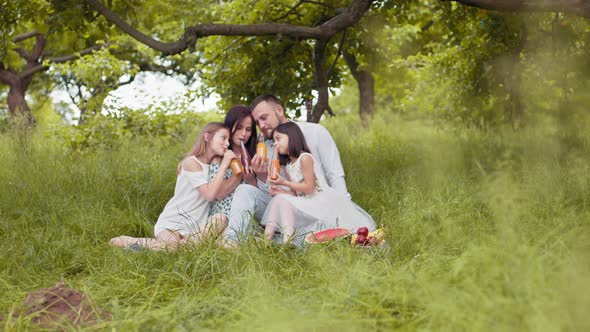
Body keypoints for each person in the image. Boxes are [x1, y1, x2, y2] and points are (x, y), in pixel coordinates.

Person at [225, 94, 371, 244]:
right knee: (244, 190)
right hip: (282, 210)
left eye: (264, 117)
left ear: (279, 110)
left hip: (315, 207)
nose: (261, 126)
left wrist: (345, 211)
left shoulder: (315, 132)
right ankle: (231, 242)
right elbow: (269, 194)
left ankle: (283, 240)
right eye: (257, 122)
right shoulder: (265, 148)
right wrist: (261, 177)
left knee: (318, 236)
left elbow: (335, 175)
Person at [109, 122, 238, 251]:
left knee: (184, 247)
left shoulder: (214, 167)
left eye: (228, 140)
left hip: (194, 227)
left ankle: (147, 246)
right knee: (171, 249)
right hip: (173, 222)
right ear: (207, 137)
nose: (227, 143)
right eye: (223, 138)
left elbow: (220, 192)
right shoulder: (191, 163)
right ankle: (129, 241)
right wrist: (224, 164)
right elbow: (209, 194)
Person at [262, 122, 375, 244]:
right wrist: (281, 191)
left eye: (278, 139)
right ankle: (270, 240)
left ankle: (284, 241)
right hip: (306, 201)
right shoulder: (289, 166)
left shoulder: (305, 158)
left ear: (292, 136)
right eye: (274, 141)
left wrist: (284, 182)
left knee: (280, 199)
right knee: (279, 198)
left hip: (318, 200)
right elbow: (296, 194)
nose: (275, 144)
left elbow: (309, 188)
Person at [207, 105, 257, 227]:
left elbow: (257, 195)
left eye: (248, 129)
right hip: (220, 217)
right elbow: (218, 194)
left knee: (229, 244)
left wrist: (250, 179)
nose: (244, 133)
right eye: (239, 127)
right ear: (229, 126)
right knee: (220, 224)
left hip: (243, 219)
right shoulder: (218, 156)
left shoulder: (255, 156)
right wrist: (239, 174)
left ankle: (165, 244)